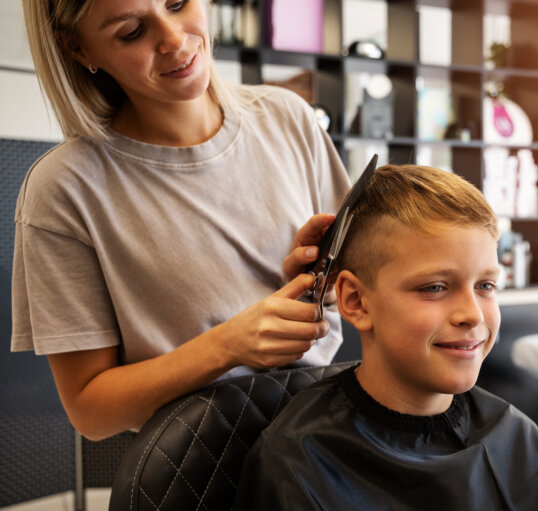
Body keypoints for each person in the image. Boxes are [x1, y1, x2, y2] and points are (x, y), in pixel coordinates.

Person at [10, 0, 350, 441]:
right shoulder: (64, 188)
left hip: (325, 442)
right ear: (79, 50)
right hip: (203, 473)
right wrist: (226, 346)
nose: (174, 39)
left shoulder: (290, 118)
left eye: (177, 3)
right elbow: (90, 412)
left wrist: (323, 276)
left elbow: (367, 292)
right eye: (131, 31)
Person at [234, 164, 538, 510]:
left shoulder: (512, 434)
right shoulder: (299, 460)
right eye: (435, 287)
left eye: (486, 285)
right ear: (356, 301)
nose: (472, 314)